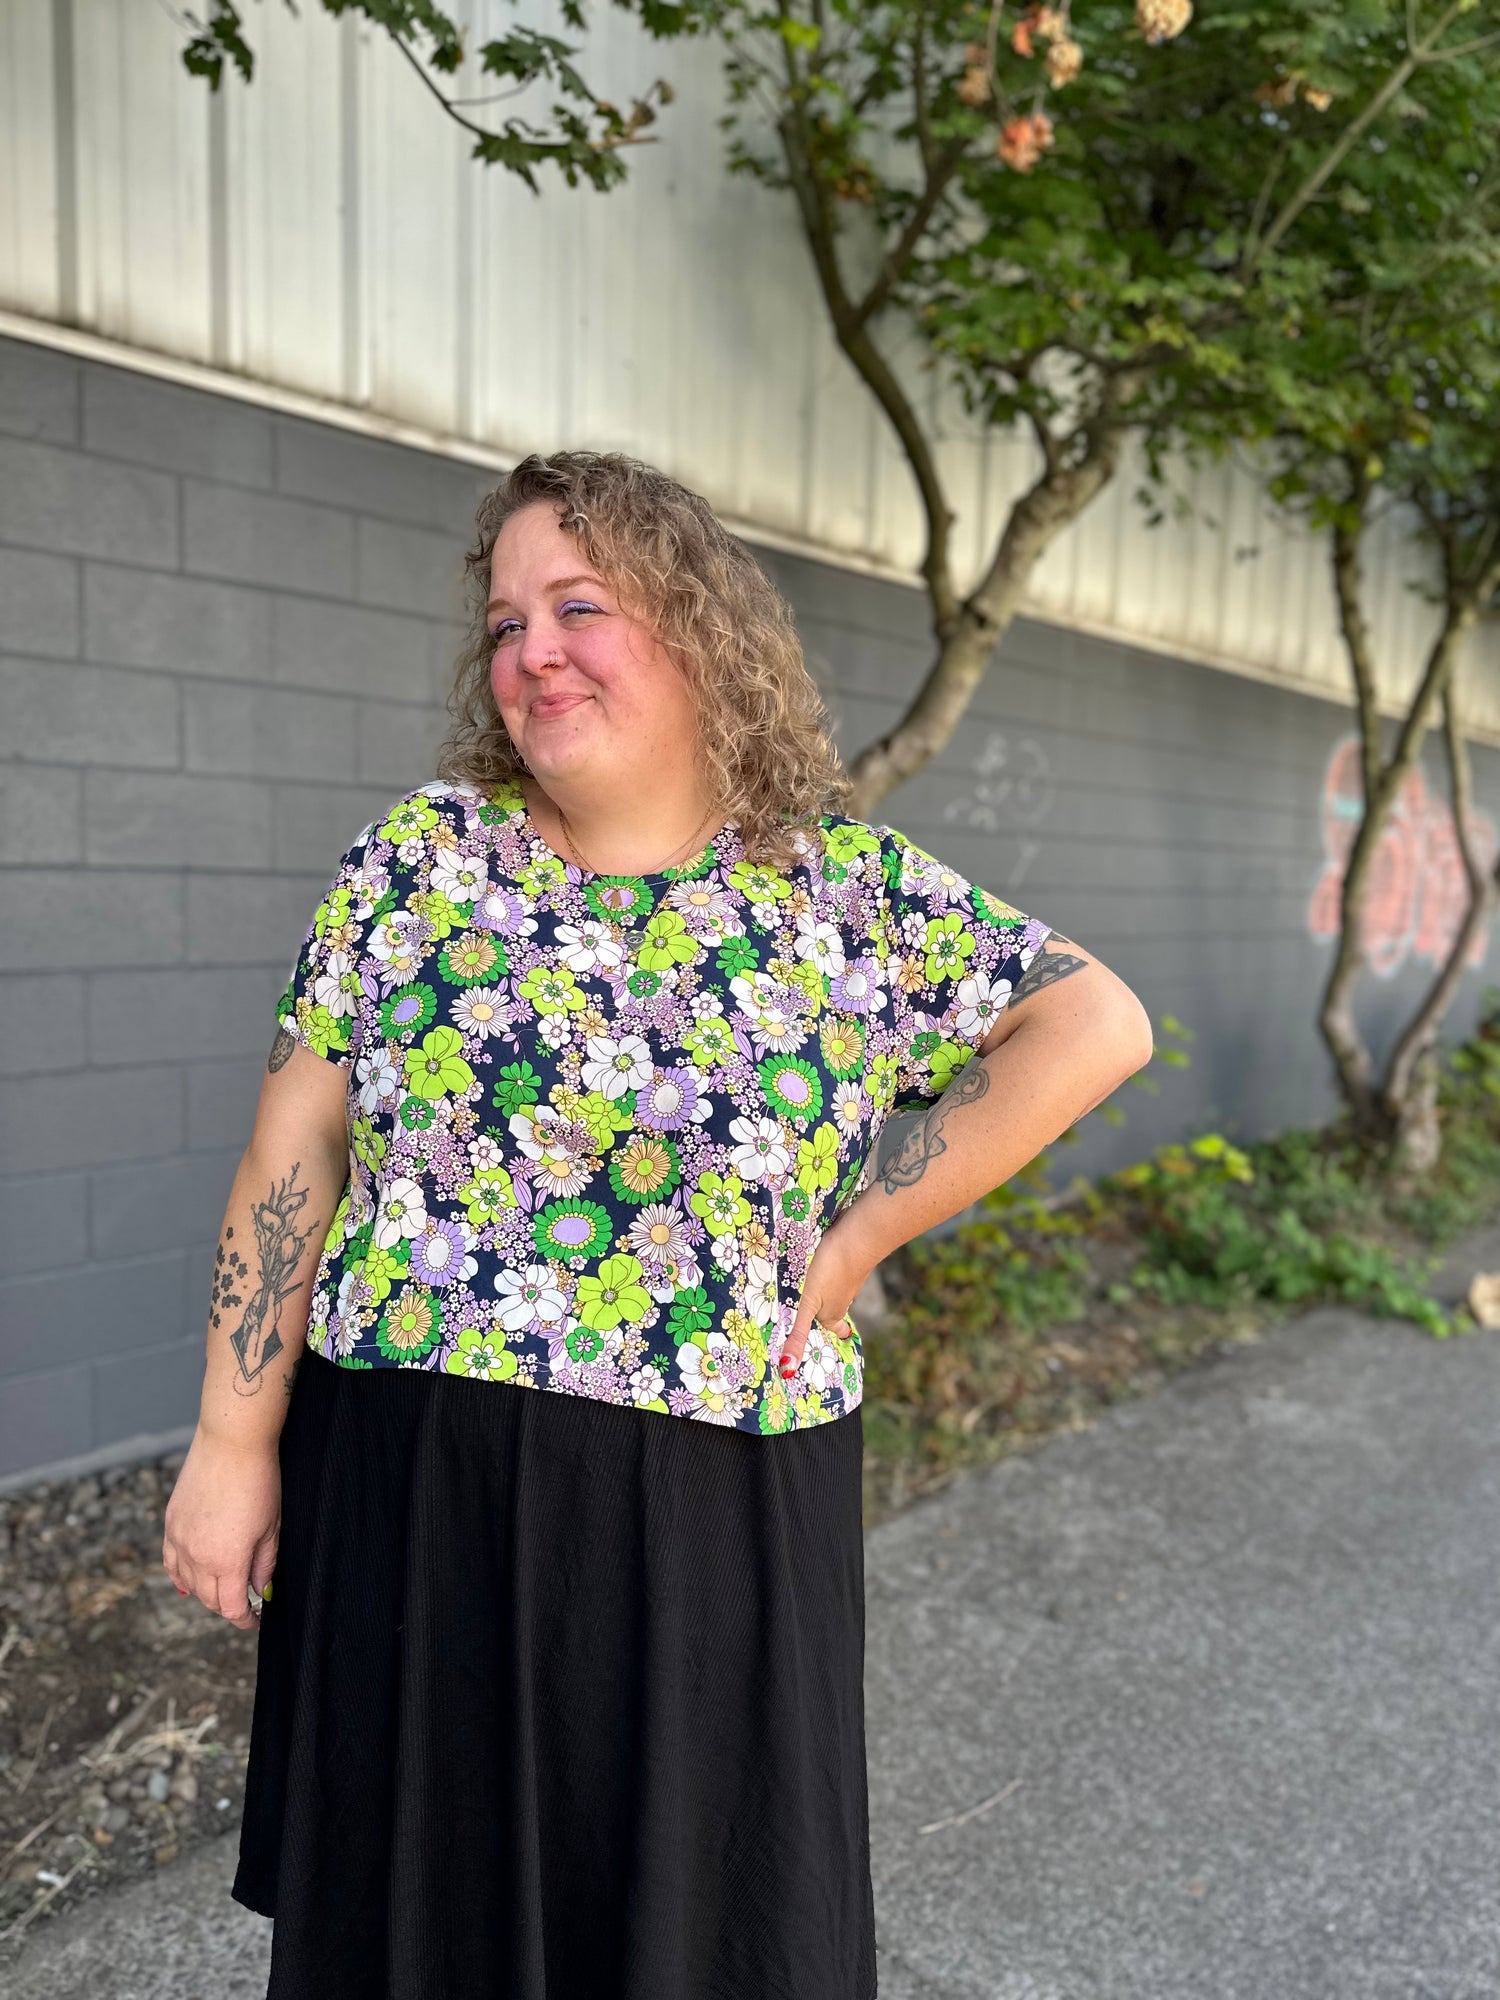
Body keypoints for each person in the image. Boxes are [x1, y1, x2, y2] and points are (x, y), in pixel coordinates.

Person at [162, 450, 1153, 1999]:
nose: (531, 650)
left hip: (712, 1523)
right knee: (415, 1935)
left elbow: (1094, 1026)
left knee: (696, 1935)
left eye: (579, 605)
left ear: (698, 631)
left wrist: (857, 1240)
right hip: (413, 1500)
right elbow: (292, 1150)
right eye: (503, 623)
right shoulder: (413, 868)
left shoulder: (840, 894)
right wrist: (233, 1444)